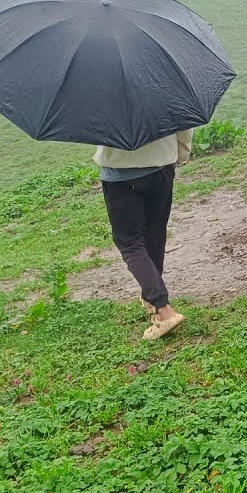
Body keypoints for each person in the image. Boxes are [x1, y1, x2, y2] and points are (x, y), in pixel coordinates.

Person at [94, 129, 194, 340]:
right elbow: (183, 121)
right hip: (161, 167)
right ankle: (149, 296)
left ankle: (164, 310)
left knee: (129, 243)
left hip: (119, 172)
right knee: (155, 234)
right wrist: (181, 153)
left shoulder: (97, 95)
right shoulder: (165, 93)